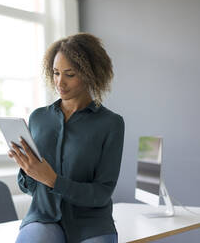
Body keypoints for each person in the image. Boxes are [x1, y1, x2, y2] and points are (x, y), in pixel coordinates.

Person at [8, 33, 125, 243]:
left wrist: (53, 180)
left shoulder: (111, 124)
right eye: (55, 73)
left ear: (91, 74)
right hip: (44, 219)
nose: (60, 82)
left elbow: (102, 193)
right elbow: (30, 187)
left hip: (92, 224)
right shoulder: (38, 118)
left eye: (69, 74)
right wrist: (27, 168)